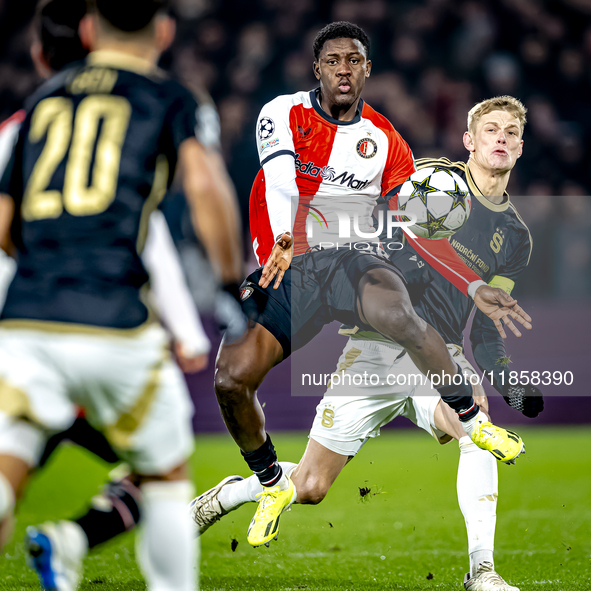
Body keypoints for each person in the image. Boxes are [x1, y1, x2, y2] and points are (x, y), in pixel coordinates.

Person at [192, 95, 544, 591]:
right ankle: (231, 494)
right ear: (470, 140)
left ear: (521, 146)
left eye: (510, 131)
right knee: (311, 487)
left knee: (476, 429)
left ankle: (482, 572)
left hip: (439, 352)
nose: (501, 138)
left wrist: (509, 380)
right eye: (491, 129)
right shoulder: (425, 179)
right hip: (375, 346)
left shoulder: (515, 238)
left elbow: (487, 329)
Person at [0, 1, 243, 591]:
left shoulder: (41, 105)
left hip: (28, 322)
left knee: (7, 472)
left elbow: (4, 223)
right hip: (115, 322)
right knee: (164, 476)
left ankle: (63, 537)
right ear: (163, 30)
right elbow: (204, 186)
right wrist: (233, 286)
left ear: (89, 29)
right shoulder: (171, 98)